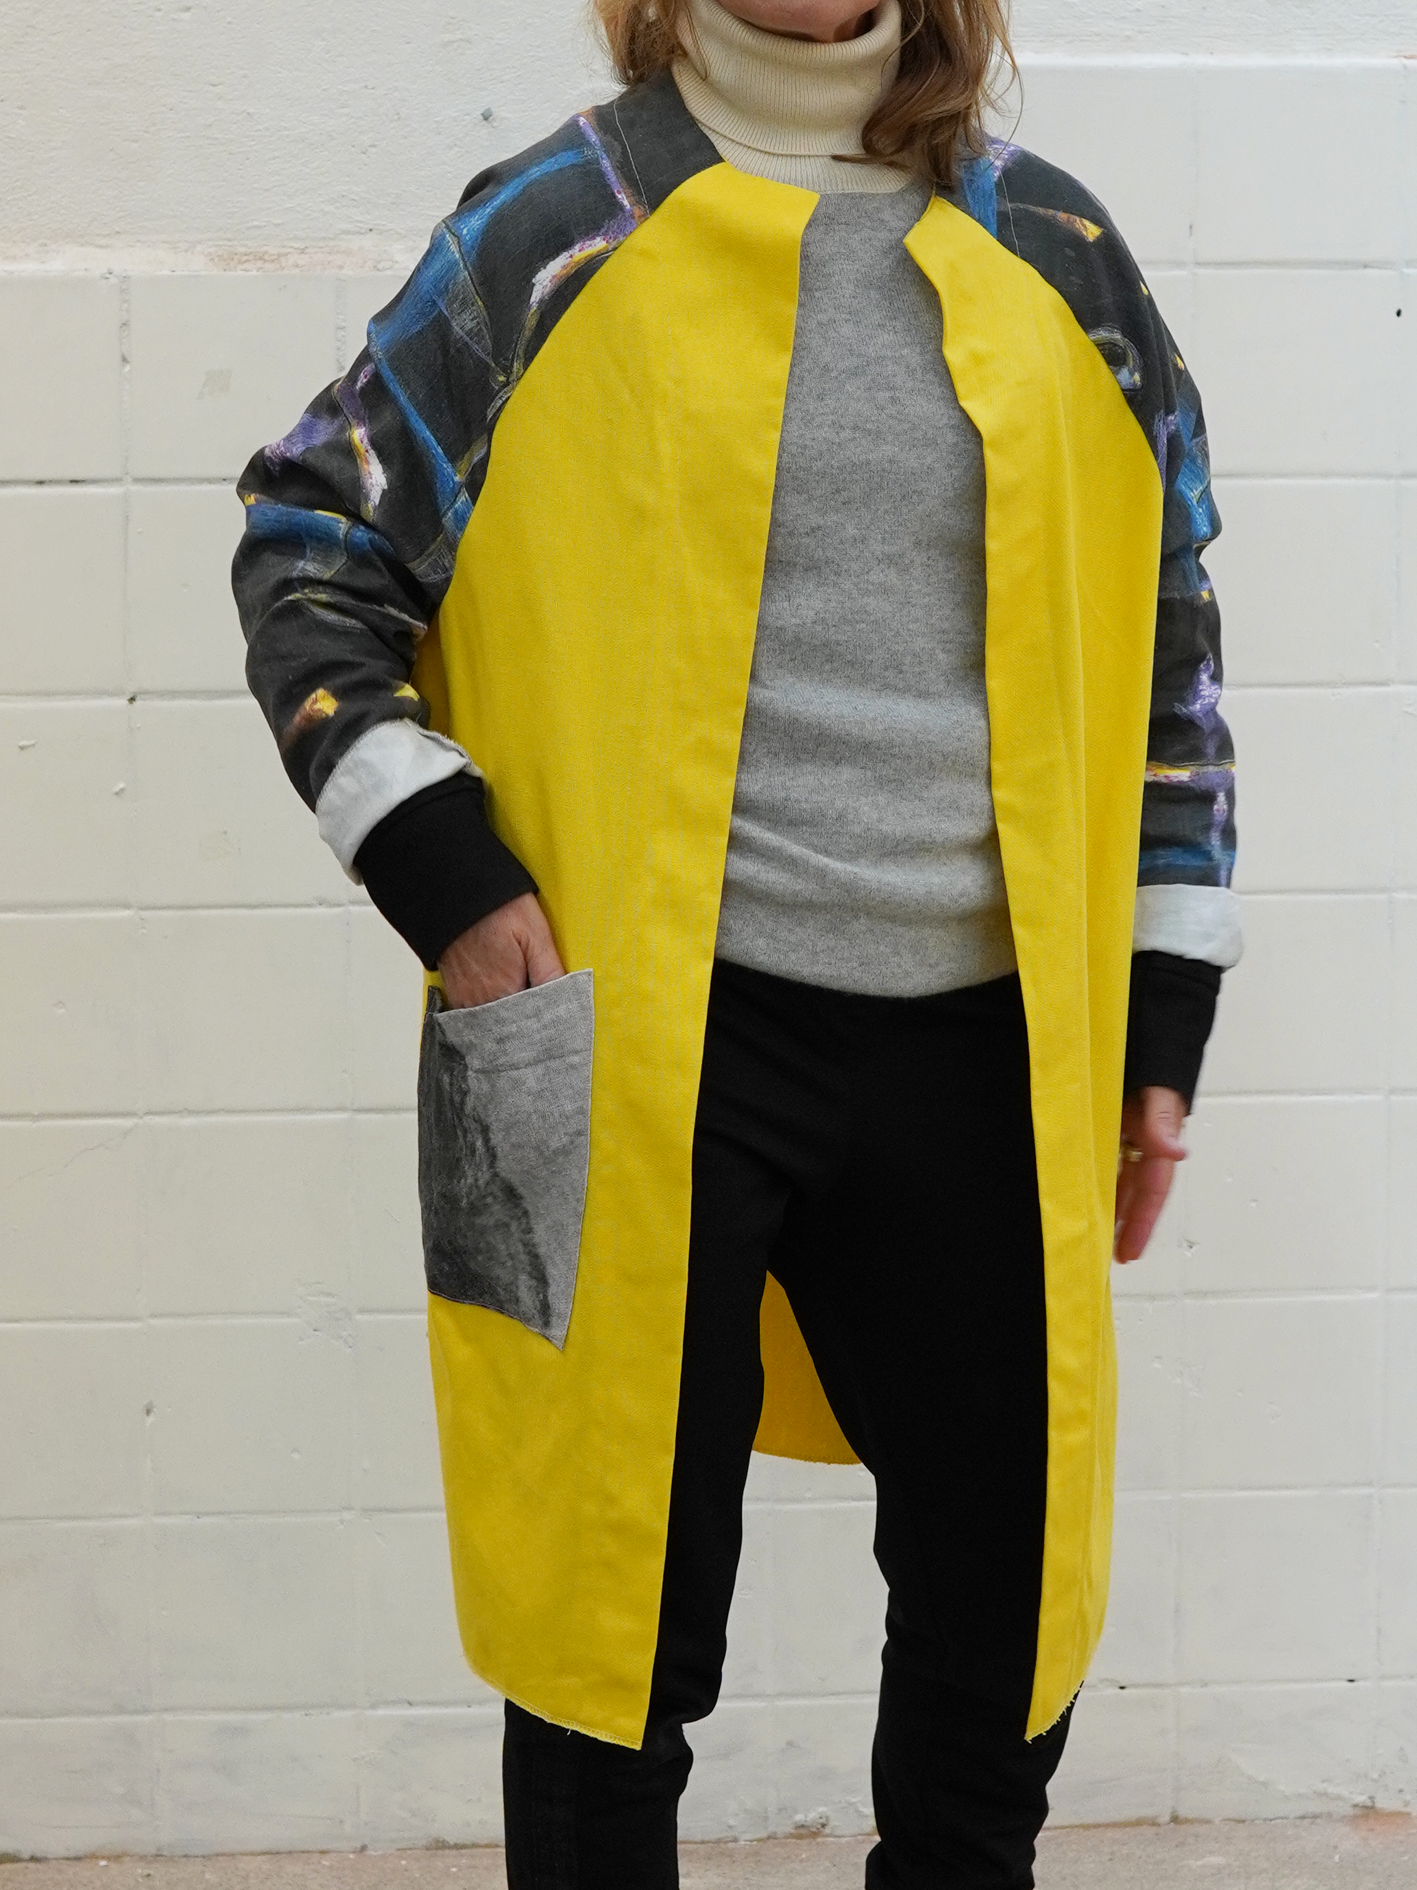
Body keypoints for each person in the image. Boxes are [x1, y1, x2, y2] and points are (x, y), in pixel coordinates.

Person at [232, 0, 1240, 1882]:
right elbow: (309, 540)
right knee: (603, 1645)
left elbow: (1170, 624)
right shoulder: (552, 229)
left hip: (985, 1054)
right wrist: (448, 875)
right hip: (627, 1048)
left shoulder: (1062, 253)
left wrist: (1166, 1001)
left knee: (1002, 1643)